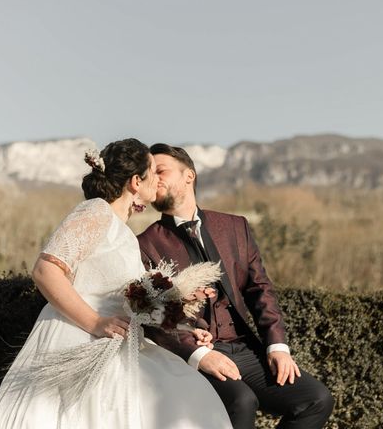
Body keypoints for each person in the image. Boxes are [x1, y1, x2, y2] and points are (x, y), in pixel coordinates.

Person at [0, 139, 232, 429]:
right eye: (153, 171)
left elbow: (135, 302)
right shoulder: (94, 212)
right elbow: (46, 270)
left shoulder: (121, 230)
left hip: (122, 343)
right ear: (136, 182)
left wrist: (185, 323)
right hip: (79, 336)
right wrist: (95, 322)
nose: (158, 179)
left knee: (190, 395)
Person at [137, 144, 334, 429]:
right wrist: (200, 354)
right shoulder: (145, 244)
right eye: (149, 174)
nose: (154, 179)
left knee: (317, 399)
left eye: (161, 171)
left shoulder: (234, 226)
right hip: (194, 355)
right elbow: (152, 315)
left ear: (189, 176)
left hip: (244, 348)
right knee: (241, 402)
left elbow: (260, 289)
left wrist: (277, 346)